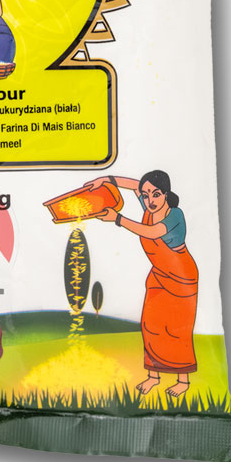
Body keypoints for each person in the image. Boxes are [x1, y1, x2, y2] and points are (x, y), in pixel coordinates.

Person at [86, 170, 198, 397]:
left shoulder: (175, 216)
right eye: (146, 196)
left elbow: (151, 232)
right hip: (159, 275)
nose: (149, 200)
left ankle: (183, 381)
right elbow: (134, 185)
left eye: (155, 194)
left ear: (166, 194)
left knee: (177, 329)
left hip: (181, 277)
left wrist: (118, 219)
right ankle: (153, 376)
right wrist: (106, 180)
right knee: (150, 325)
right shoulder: (149, 207)